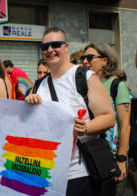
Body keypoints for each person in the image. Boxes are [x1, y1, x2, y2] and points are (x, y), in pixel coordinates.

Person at [26, 27, 115, 196]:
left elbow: (109, 117)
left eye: (55, 45)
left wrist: (87, 127)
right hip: (47, 172)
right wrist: (29, 103)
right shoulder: (39, 85)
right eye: (45, 47)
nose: (50, 50)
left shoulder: (84, 77)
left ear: (66, 47)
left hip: (78, 172)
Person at [83, 43, 131, 196]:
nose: (84, 61)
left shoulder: (117, 86)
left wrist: (121, 159)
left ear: (105, 61)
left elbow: (125, 126)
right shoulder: (84, 85)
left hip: (112, 155)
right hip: (91, 154)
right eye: (83, 58)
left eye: (90, 57)